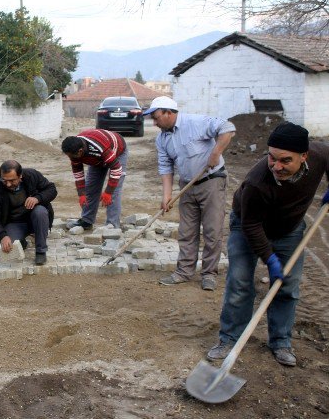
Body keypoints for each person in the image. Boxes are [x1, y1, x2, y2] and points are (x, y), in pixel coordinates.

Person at [207, 123, 329, 367]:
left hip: (290, 229)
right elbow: (251, 226)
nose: (276, 166)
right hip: (248, 226)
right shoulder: (257, 181)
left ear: (304, 157)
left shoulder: (320, 154)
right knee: (240, 282)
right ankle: (229, 337)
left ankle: (281, 341)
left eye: (285, 160)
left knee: (287, 287)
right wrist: (270, 259)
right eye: (272, 158)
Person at [145, 96, 235, 291]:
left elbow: (228, 128)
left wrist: (215, 153)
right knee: (187, 231)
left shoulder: (196, 123)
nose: (154, 122)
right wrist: (166, 195)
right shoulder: (162, 139)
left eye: (156, 117)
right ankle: (184, 272)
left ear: (169, 113)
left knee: (212, 231)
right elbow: (165, 166)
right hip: (187, 185)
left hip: (212, 182)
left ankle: (209, 274)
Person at [0, 160, 57, 265]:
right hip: (15, 223)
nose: (8, 184)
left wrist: (37, 198)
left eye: (12, 180)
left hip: (34, 218)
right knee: (11, 245)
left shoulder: (32, 175)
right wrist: (2, 236)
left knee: (40, 212)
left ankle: (41, 251)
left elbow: (51, 189)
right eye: (4, 180)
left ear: (20, 176)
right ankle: (22, 241)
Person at [61, 129, 127, 230]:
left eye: (72, 156)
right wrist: (81, 193)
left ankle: (112, 225)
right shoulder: (74, 149)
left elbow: (116, 169)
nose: (71, 158)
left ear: (80, 151)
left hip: (117, 151)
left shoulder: (99, 148)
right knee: (90, 188)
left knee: (114, 190)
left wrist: (108, 192)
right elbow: (78, 172)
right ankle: (87, 221)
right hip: (97, 159)